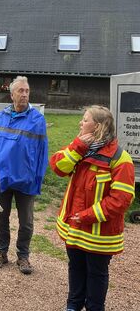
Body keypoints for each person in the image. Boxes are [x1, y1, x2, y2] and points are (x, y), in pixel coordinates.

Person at [50, 105, 135, 311]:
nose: (81, 122)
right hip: (75, 228)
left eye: (85, 119)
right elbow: (58, 168)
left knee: (96, 273)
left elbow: (121, 200)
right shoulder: (80, 148)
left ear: (97, 126)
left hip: (99, 234)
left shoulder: (120, 159)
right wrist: (77, 146)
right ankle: (73, 306)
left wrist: (87, 216)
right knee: (75, 268)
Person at [0, 76, 48, 274]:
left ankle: (23, 256)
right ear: (11, 94)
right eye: (20, 91)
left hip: (26, 181)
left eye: (27, 91)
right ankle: (1, 253)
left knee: (27, 222)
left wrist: (38, 177)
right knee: (0, 218)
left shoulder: (37, 119)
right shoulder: (0, 117)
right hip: (2, 180)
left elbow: (42, 152)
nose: (24, 94)